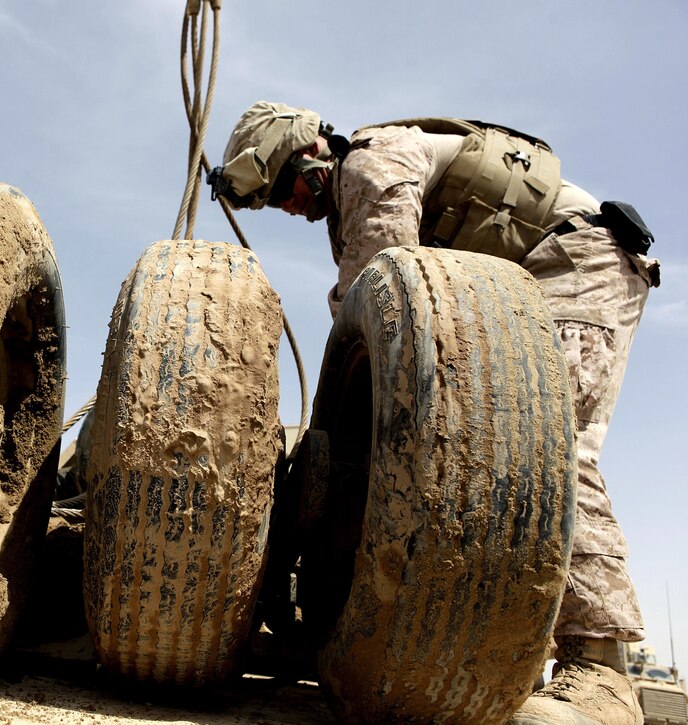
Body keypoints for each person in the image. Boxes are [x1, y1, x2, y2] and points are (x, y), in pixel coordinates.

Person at [209, 101, 660, 725]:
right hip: (535, 272)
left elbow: (380, 303)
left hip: (581, 263)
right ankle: (516, 657)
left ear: (311, 153)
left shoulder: (370, 166)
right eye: (270, 203)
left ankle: (602, 671)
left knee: (549, 448)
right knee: (490, 450)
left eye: (283, 188)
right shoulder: (349, 199)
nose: (286, 207)